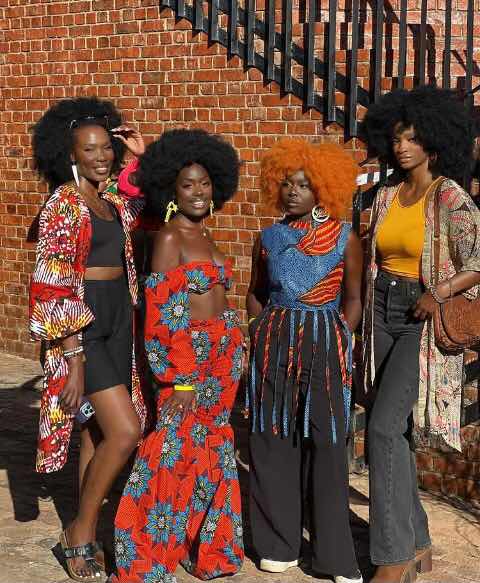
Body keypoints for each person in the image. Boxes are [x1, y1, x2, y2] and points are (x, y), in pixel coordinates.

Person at [112, 129, 244, 583]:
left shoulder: (204, 234)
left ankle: (209, 550)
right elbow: (164, 316)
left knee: (212, 452)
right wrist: (181, 378)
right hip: (189, 365)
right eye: (188, 185)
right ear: (172, 189)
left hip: (223, 363)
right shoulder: (170, 238)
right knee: (170, 452)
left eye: (205, 183)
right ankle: (145, 558)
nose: (198, 192)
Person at [360, 86, 480, 583]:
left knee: (383, 429)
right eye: (396, 138)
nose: (403, 146)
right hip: (380, 311)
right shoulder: (386, 194)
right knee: (397, 431)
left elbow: (477, 261)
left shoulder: (450, 196)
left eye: (412, 138)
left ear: (433, 141)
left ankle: (393, 557)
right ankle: (419, 540)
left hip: (421, 319)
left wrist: (440, 291)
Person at [30, 97, 147, 582]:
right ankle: (79, 529)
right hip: (84, 327)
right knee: (126, 431)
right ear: (70, 155)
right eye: (89, 149)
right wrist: (73, 357)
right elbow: (52, 281)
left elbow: (145, 206)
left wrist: (140, 157)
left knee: (96, 432)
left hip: (119, 318)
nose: (101, 156)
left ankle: (87, 530)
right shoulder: (62, 203)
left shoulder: (110, 200)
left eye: (106, 148)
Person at [246, 138, 364, 583]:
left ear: (323, 189)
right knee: (273, 437)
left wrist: (340, 336)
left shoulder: (345, 237)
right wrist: (258, 329)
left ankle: (334, 556)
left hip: (325, 342)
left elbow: (353, 298)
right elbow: (256, 292)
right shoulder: (268, 238)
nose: (293, 191)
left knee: (328, 443)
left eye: (304, 184)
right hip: (274, 341)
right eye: (287, 183)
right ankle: (279, 544)